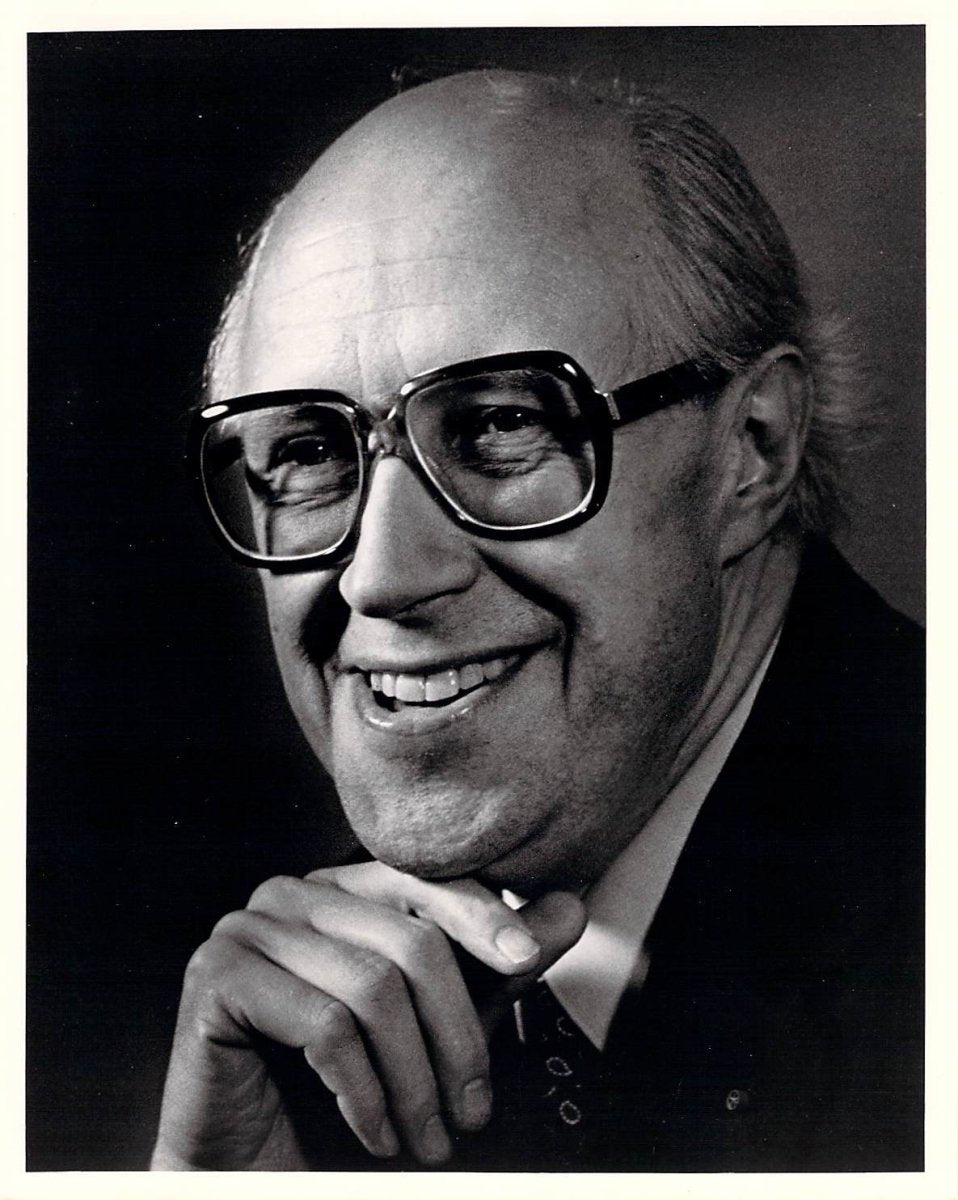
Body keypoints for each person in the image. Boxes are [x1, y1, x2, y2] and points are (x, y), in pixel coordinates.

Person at [153, 69, 923, 1172]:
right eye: (312, 451)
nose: (380, 578)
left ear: (752, 451)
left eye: (501, 425)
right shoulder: (317, 1026)